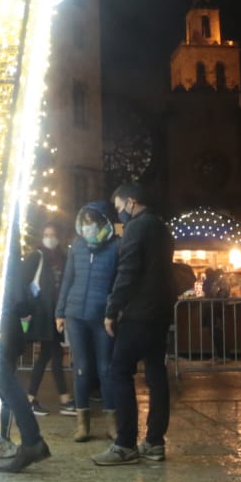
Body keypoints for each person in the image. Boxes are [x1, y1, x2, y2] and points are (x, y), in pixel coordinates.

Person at [95, 182, 175, 466]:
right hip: (160, 313)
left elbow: (127, 271)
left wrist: (112, 309)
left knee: (119, 372)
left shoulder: (136, 229)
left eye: (120, 208)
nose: (120, 215)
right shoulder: (163, 228)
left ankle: (125, 443)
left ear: (131, 202)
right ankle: (154, 442)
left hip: (138, 313)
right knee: (156, 376)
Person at [56, 204, 119, 444]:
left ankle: (112, 423)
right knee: (81, 368)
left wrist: (112, 311)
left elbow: (117, 283)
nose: (87, 227)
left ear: (103, 223)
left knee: (106, 369)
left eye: (92, 222)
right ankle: (82, 424)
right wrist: (60, 311)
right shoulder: (78, 246)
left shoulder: (115, 247)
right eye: (84, 222)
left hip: (102, 317)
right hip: (76, 315)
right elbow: (67, 279)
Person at [0, 238, 50, 473]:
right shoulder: (9, 245)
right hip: (7, 321)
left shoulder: (2, 242)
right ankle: (15, 439)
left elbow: (15, 287)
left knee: (0, 377)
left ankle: (29, 440)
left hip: (2, 320)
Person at [23, 220, 70, 415]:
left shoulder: (63, 258)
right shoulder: (37, 256)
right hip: (43, 314)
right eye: (47, 234)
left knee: (51, 355)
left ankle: (61, 398)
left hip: (56, 315)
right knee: (49, 355)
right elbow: (24, 281)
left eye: (53, 235)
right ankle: (58, 399)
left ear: (58, 237)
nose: (50, 238)